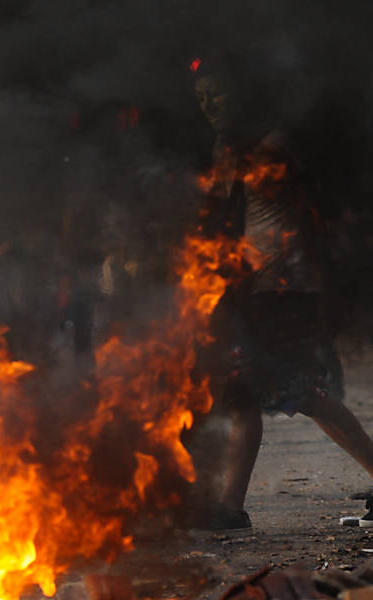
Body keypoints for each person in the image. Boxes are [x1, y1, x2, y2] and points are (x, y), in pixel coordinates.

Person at [190, 54, 373, 530]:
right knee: (260, 393)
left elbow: (313, 218)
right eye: (202, 97)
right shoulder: (226, 147)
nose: (210, 105)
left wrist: (317, 281)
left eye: (218, 93)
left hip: (287, 289)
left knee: (282, 391)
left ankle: (231, 509)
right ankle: (230, 509)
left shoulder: (272, 146)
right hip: (257, 289)